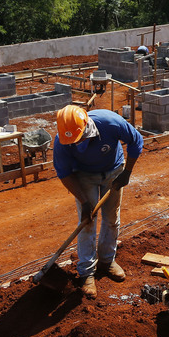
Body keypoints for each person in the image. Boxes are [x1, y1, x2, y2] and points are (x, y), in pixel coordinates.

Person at [53, 104, 144, 299]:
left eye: (80, 138)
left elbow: (136, 141)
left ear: (86, 126)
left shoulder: (109, 122)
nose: (77, 143)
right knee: (87, 223)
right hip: (84, 176)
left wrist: (127, 172)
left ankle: (107, 260)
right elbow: (64, 173)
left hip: (113, 170)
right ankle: (87, 272)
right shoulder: (62, 140)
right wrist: (84, 201)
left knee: (111, 217)